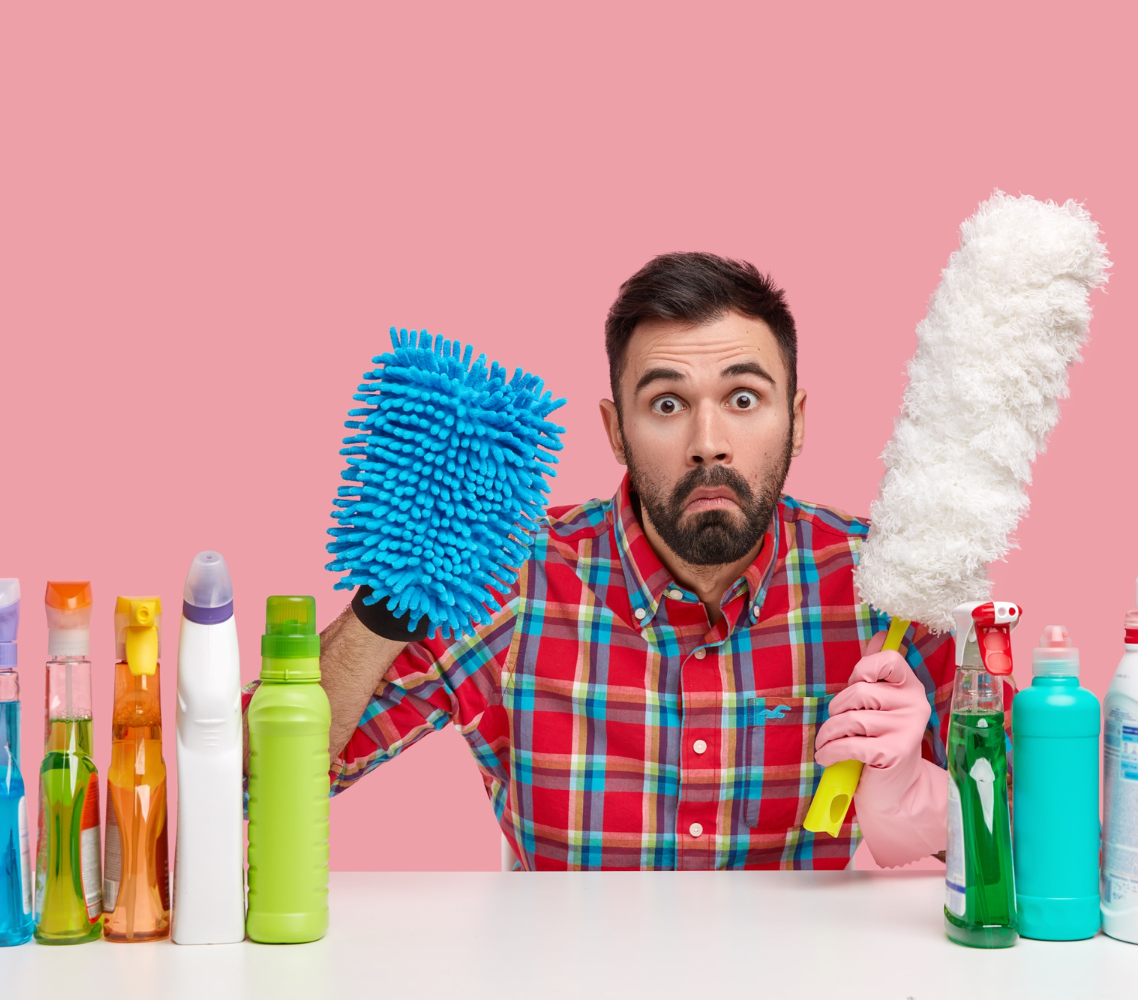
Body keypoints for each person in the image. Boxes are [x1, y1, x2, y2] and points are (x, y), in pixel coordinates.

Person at [307, 252, 955, 870]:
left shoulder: (887, 584)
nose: (709, 445)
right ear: (616, 432)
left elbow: (1033, 841)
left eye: (744, 399)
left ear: (798, 419)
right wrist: (383, 611)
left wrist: (920, 799)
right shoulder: (506, 579)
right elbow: (255, 785)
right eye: (667, 405)